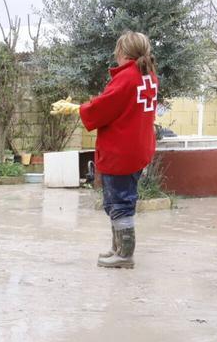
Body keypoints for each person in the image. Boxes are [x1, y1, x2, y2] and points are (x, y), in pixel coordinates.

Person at [52, 31, 159, 269]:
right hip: (137, 149)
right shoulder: (148, 75)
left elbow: (104, 107)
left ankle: (125, 255)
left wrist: (77, 108)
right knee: (118, 201)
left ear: (123, 52)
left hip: (121, 151)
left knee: (119, 202)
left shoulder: (127, 77)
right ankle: (118, 248)